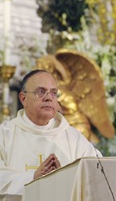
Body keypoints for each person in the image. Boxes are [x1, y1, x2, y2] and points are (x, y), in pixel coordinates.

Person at [0, 69, 102, 200]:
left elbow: (98, 175)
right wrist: (33, 178)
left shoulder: (73, 138)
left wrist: (63, 179)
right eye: (41, 92)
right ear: (23, 98)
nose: (49, 97)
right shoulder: (4, 135)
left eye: (53, 93)